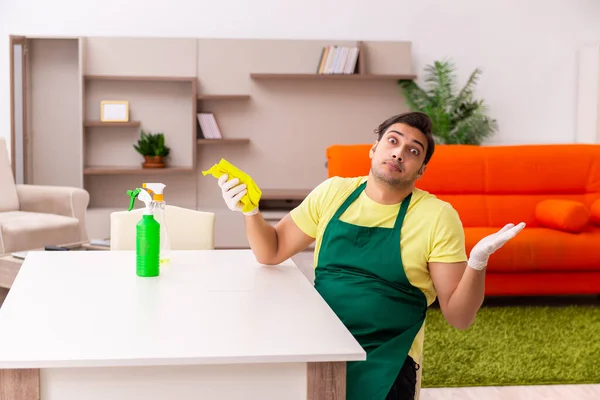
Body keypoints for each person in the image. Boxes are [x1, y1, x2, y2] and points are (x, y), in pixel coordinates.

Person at [215, 111, 526, 400]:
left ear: (422, 169)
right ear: (374, 148)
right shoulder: (333, 192)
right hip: (321, 339)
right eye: (393, 141)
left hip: (387, 357)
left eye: (413, 151)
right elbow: (272, 251)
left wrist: (478, 261)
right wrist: (250, 211)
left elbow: (459, 317)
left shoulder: (437, 217)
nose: (399, 153)